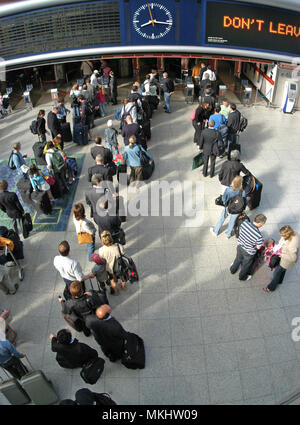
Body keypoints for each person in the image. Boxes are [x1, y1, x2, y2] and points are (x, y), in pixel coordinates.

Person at [230, 214, 267, 281]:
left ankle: (233, 270)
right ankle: (242, 277)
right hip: (249, 252)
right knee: (246, 265)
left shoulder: (245, 223)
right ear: (261, 223)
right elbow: (258, 247)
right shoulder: (259, 236)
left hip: (240, 246)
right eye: (263, 224)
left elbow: (241, 232)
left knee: (238, 258)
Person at [264, 225, 299, 293]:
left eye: (282, 235)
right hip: (285, 259)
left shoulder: (292, 244)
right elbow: (282, 241)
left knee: (276, 274)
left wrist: (281, 255)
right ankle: (279, 281)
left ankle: (271, 288)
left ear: (287, 234)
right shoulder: (294, 234)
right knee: (282, 271)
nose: (281, 236)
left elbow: (293, 258)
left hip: (285, 261)